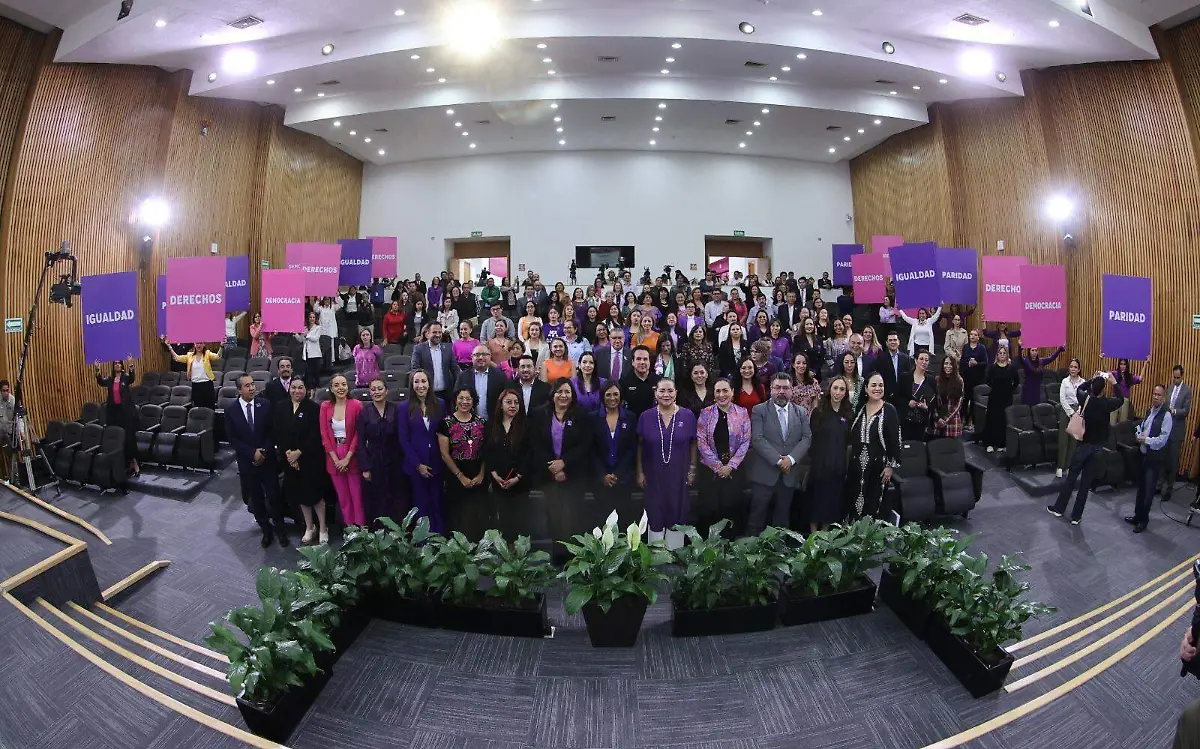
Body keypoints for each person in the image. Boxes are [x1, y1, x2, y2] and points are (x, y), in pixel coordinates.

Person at [1048, 373, 1124, 525]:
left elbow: (1079, 389)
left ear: (1092, 388)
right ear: (1103, 390)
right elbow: (1121, 399)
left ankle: (1059, 509)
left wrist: (1091, 379)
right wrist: (1114, 382)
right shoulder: (1107, 404)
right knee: (1085, 484)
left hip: (1084, 445)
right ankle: (1076, 517)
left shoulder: (1085, 399)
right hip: (1098, 449)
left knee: (1071, 478)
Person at [532, 379, 595, 559]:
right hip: (549, 476)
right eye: (559, 391)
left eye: (567, 392)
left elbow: (585, 444)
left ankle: (576, 558)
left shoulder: (581, 415)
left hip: (574, 476)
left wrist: (564, 463)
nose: (563, 395)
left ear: (572, 395)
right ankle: (558, 557)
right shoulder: (540, 414)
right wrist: (553, 468)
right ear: (553, 394)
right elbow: (536, 444)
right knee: (555, 518)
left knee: (572, 518)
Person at [225, 375, 289, 547]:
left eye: (253, 384)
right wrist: (251, 453)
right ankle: (266, 530)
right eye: (247, 386)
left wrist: (264, 451)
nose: (252, 388)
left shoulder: (265, 405)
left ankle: (280, 529)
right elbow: (232, 438)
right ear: (239, 390)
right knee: (256, 498)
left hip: (267, 460)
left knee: (274, 496)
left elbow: (272, 432)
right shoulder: (231, 410)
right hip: (247, 463)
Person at [746, 373, 812, 536]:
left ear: (791, 390)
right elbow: (757, 439)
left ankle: (779, 550)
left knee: (782, 520)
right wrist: (779, 461)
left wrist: (790, 459)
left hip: (788, 476)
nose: (781, 391)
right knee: (757, 518)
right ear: (771, 389)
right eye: (777, 388)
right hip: (764, 475)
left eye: (785, 388)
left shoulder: (801, 412)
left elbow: (806, 438)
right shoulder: (759, 410)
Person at [636, 378, 698, 548]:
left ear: (676, 393)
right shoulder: (646, 416)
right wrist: (639, 472)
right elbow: (640, 445)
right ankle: (656, 557)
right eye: (662, 391)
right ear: (655, 393)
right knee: (655, 513)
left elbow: (693, 443)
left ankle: (675, 555)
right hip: (654, 475)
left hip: (679, 475)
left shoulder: (687, 415)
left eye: (670, 391)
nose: (666, 394)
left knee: (677, 513)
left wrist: (692, 469)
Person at [273, 378, 328, 545]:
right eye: (294, 387)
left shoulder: (313, 408)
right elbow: (278, 432)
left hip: (311, 459)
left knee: (315, 495)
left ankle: (323, 528)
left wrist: (299, 452)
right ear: (289, 389)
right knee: (301, 495)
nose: (297, 391)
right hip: (289, 460)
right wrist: (290, 455)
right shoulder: (281, 407)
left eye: (301, 387)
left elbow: (316, 435)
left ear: (306, 390)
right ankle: (310, 526)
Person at [695, 378, 751, 537]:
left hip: (734, 471)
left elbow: (746, 441)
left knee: (732, 510)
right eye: (718, 391)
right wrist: (718, 467)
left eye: (725, 390)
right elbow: (701, 442)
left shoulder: (742, 413)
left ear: (732, 392)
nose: (721, 394)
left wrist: (730, 466)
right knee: (710, 510)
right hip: (710, 472)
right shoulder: (705, 413)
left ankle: (731, 546)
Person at [847, 372, 901, 520]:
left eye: (881, 385)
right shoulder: (859, 409)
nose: (878, 388)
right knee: (853, 502)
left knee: (873, 505)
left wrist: (890, 466)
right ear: (866, 388)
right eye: (874, 385)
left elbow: (895, 441)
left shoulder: (889, 410)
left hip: (878, 469)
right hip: (856, 468)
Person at [437, 385, 488, 538]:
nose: (464, 402)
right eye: (461, 398)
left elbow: (487, 451)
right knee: (458, 517)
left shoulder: (482, 422)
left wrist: (481, 474)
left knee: (477, 517)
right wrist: (460, 476)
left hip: (478, 475)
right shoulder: (446, 423)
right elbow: (444, 454)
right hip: (456, 475)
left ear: (473, 401)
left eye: (468, 399)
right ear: (455, 400)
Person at [397, 370, 444, 532]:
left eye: (423, 381)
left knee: (437, 501)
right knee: (421, 504)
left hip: (437, 461)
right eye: (416, 382)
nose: (420, 385)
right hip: (416, 464)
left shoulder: (440, 404)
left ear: (429, 384)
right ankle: (422, 539)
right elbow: (403, 439)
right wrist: (418, 465)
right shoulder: (404, 407)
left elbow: (444, 433)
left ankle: (438, 536)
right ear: (411, 385)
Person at [1124, 384, 1174, 533]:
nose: (1155, 397)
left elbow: (1162, 440)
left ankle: (1143, 521)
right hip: (1143, 455)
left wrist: (1146, 440)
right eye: (1154, 394)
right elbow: (1145, 428)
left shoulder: (1166, 416)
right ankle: (1137, 516)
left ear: (1164, 398)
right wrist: (1139, 434)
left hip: (1154, 458)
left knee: (1148, 491)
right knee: (1141, 489)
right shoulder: (1149, 411)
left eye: (1159, 395)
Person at [358, 377, 407, 526]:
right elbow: (360, 442)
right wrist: (365, 468)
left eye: (380, 389)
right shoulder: (364, 412)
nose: (377, 392)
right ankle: (378, 531)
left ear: (387, 391)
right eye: (373, 389)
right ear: (369, 392)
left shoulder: (396, 409)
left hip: (395, 460)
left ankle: (397, 530)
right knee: (377, 498)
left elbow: (402, 436)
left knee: (396, 496)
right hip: (374, 461)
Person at [592, 380, 640, 527]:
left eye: (615, 394)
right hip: (601, 481)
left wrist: (618, 474)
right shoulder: (593, 418)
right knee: (602, 523)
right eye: (608, 395)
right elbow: (591, 450)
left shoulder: (631, 417)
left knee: (624, 521)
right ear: (602, 396)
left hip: (623, 480)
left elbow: (632, 448)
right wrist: (603, 475)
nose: (612, 398)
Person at [319, 374, 365, 526]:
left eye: (343, 384)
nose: (341, 388)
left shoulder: (356, 405)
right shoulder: (325, 406)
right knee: (344, 498)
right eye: (337, 385)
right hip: (333, 455)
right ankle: (350, 529)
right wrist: (336, 459)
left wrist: (347, 458)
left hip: (352, 454)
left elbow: (358, 434)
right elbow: (324, 435)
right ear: (331, 389)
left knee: (357, 497)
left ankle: (361, 529)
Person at [484, 389, 531, 537]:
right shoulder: (492, 425)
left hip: (520, 483)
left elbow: (529, 454)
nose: (513, 406)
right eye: (509, 402)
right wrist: (494, 475)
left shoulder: (526, 425)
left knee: (521, 522)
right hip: (499, 482)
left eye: (516, 403)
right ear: (501, 405)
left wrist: (518, 477)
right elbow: (488, 452)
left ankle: (520, 550)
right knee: (504, 521)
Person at [808, 376, 853, 530]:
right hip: (819, 466)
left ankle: (825, 535)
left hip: (838, 466)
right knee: (816, 503)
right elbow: (811, 439)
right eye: (835, 388)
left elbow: (848, 441)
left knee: (832, 504)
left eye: (842, 389)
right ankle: (813, 536)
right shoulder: (818, 412)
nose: (838, 392)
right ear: (829, 389)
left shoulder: (848, 413)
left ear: (845, 393)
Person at [94, 356, 138, 477]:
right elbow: (100, 382)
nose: (117, 365)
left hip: (126, 413)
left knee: (129, 438)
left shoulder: (126, 378)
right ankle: (124, 464)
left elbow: (132, 378)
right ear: (113, 366)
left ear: (122, 366)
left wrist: (131, 366)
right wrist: (97, 370)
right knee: (119, 438)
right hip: (114, 413)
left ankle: (134, 463)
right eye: (115, 363)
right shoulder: (110, 379)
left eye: (119, 363)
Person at [454, 343, 508, 421]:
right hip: (469, 422)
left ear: (490, 356)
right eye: (477, 355)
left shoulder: (500, 376)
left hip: (494, 422)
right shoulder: (463, 376)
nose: (481, 357)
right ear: (472, 357)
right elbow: (455, 399)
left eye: (484, 354)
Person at [982, 345, 1020, 453]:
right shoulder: (993, 368)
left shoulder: (1011, 368)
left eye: (1004, 353)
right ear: (997, 355)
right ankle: (989, 443)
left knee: (1003, 420)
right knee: (992, 419)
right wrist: (996, 388)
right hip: (995, 397)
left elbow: (1016, 381)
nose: (1002, 355)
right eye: (1000, 353)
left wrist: (1010, 389)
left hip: (1006, 398)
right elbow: (987, 380)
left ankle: (1001, 444)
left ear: (1007, 355)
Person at [1163, 365, 1193, 502]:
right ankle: (1159, 485)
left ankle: (1169, 488)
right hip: (1166, 428)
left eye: (1177, 378)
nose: (1175, 380)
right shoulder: (1169, 388)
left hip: (1177, 429)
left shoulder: (1187, 391)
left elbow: (1186, 411)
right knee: (1164, 458)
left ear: (1182, 376)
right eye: (1174, 377)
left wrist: (1174, 411)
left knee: (1173, 460)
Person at [164, 339, 221, 409]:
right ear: (194, 344)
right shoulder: (189, 355)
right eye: (197, 343)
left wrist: (221, 346)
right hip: (196, 386)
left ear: (204, 344)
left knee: (210, 407)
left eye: (200, 343)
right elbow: (177, 358)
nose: (198, 345)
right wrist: (169, 346)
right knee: (198, 408)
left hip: (207, 385)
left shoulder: (207, 354)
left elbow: (218, 356)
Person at [412, 321, 460, 402]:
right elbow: (415, 370)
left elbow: (455, 369)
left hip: (446, 394)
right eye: (434, 332)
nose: (438, 335)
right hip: (427, 394)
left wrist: (458, 387)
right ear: (427, 334)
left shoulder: (448, 348)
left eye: (440, 332)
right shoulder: (419, 349)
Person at [872, 331, 912, 424]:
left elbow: (908, 378)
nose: (893, 342)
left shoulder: (906, 358)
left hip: (902, 399)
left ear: (899, 342)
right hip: (886, 398)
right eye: (890, 340)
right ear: (886, 343)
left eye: (895, 340)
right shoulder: (880, 359)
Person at [1056, 358, 1086, 478]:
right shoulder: (1065, 381)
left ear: (1079, 369)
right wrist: (1071, 413)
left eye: (1075, 367)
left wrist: (1077, 412)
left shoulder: (1083, 382)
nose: (1073, 369)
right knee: (1063, 440)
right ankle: (1060, 466)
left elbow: (1084, 398)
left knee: (1073, 442)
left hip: (1078, 411)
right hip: (1066, 411)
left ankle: (1068, 466)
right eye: (1071, 367)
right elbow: (1062, 398)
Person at [904, 350, 937, 441]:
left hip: (922, 421)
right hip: (905, 420)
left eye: (926, 360)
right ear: (915, 360)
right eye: (921, 359)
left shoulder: (931, 380)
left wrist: (926, 407)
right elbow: (898, 397)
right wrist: (908, 403)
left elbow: (934, 401)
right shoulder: (905, 377)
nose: (924, 362)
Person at [960, 329, 989, 430]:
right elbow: (962, 361)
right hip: (966, 377)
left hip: (977, 378)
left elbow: (985, 363)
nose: (972, 336)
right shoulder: (966, 347)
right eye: (971, 334)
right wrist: (966, 364)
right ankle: (962, 419)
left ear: (978, 337)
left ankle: (971, 421)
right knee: (965, 399)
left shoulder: (982, 348)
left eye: (975, 335)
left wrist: (977, 364)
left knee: (973, 400)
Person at [621, 345, 661, 416]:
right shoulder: (624, 382)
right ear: (632, 362)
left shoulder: (659, 381)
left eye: (645, 359)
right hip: (632, 421)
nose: (642, 362)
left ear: (649, 361)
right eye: (638, 359)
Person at [933, 354, 965, 439]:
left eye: (951, 364)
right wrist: (937, 418)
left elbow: (959, 404)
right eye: (946, 363)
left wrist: (947, 418)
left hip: (952, 420)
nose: (948, 366)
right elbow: (934, 401)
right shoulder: (937, 380)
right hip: (938, 420)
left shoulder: (959, 381)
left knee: (950, 445)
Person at [1110, 358, 1143, 424]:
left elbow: (1140, 379)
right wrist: (1102, 360)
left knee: (1122, 422)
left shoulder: (1129, 376)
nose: (1122, 366)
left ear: (1127, 366)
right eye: (1121, 364)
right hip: (1115, 399)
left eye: (1124, 364)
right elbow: (1107, 373)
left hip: (1124, 400)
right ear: (1119, 365)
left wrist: (1146, 364)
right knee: (1112, 421)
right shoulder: (1115, 374)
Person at [297, 311, 323, 390]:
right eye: (310, 317)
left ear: (315, 319)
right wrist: (296, 335)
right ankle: (310, 388)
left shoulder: (318, 328)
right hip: (307, 353)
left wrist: (307, 335)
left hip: (315, 353)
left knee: (315, 372)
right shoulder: (305, 328)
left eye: (313, 317)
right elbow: (301, 340)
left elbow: (315, 339)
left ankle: (317, 388)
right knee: (309, 372)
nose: (312, 319)